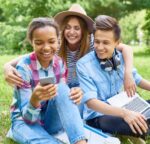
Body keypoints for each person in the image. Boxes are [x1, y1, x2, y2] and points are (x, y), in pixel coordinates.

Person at [4, 4, 136, 98]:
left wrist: (128, 73)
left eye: (76, 28)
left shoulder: (92, 42)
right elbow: (32, 55)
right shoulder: (58, 43)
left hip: (84, 87)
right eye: (67, 27)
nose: (71, 32)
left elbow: (126, 48)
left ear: (83, 30)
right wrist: (7, 65)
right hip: (63, 88)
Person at [7, 17, 88, 144]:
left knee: (64, 89)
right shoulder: (24, 68)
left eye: (51, 41)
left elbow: (61, 98)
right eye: (39, 42)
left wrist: (74, 95)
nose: (46, 48)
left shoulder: (59, 63)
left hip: (47, 119)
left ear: (58, 41)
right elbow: (28, 119)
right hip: (25, 122)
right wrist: (35, 99)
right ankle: (20, 134)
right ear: (31, 43)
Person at [76, 15, 150, 144]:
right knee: (129, 123)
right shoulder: (83, 65)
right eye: (97, 42)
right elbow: (91, 103)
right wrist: (126, 114)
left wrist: (128, 74)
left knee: (138, 118)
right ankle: (134, 131)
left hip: (123, 106)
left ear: (117, 42)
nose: (99, 47)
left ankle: (136, 130)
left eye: (105, 43)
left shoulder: (121, 57)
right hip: (99, 116)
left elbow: (137, 80)